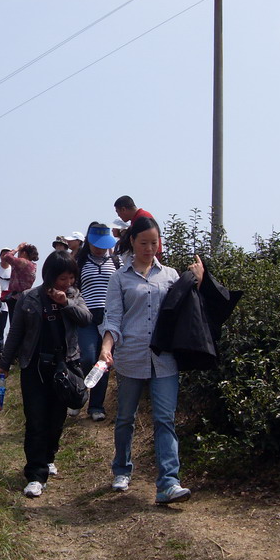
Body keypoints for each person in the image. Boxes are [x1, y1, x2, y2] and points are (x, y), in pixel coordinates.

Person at [99, 216, 203, 505]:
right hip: (131, 356)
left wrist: (198, 280)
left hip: (164, 359)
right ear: (132, 241)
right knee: (125, 419)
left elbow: (189, 312)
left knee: (164, 420)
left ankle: (168, 482)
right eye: (143, 243)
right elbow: (114, 318)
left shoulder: (170, 276)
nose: (149, 248)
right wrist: (107, 347)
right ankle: (122, 469)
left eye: (154, 243)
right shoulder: (119, 278)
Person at [0, 251, 92, 498]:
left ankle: (48, 457)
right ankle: (35, 475)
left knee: (56, 419)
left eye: (71, 277)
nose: (67, 283)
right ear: (49, 276)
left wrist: (65, 303)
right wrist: (4, 363)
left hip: (65, 368)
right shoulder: (29, 298)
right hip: (34, 366)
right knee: (35, 419)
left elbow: (86, 319)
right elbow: (15, 333)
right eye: (62, 278)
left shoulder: (74, 296)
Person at [71, 222, 120, 421]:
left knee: (103, 362)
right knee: (87, 358)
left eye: (104, 244)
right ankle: (76, 399)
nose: (100, 248)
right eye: (96, 244)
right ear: (88, 243)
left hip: (110, 318)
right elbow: (72, 288)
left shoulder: (117, 262)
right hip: (87, 317)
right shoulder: (80, 263)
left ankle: (96, 407)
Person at [1, 242, 39, 321]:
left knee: (15, 323)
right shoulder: (32, 265)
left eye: (19, 253)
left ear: (24, 253)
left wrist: (18, 248)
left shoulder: (23, 262)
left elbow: (7, 257)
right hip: (25, 297)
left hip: (16, 298)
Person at [0, 247, 13, 356]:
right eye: (3, 254)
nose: (5, 257)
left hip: (5, 304)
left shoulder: (14, 270)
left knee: (0, 328)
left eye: (8, 255)